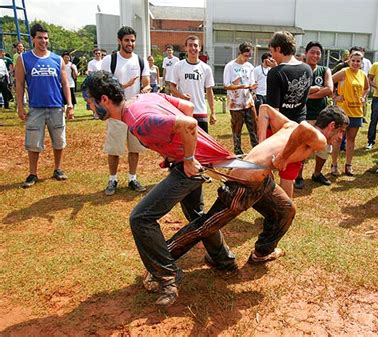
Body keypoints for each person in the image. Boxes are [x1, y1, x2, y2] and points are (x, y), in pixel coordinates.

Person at [82, 70, 237, 307]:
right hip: (197, 162)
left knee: (141, 218)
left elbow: (189, 122)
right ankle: (223, 258)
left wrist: (187, 157)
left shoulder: (138, 120)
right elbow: (187, 107)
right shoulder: (144, 99)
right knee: (196, 215)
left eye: (90, 103)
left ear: (104, 100)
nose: (90, 109)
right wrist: (173, 152)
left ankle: (167, 277)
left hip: (193, 166)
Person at [165, 104, 349, 304]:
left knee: (285, 209)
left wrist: (260, 143)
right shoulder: (318, 137)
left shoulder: (289, 125)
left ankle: (262, 252)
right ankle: (160, 261)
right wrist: (282, 158)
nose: (340, 138)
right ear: (332, 126)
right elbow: (305, 127)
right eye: (341, 132)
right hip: (245, 184)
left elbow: (265, 109)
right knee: (206, 226)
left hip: (262, 180)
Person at [16, 23, 74, 188]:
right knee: (33, 143)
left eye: (46, 38)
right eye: (40, 37)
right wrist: (20, 106)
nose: (43, 41)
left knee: (59, 141)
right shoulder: (23, 59)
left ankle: (58, 169)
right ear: (33, 39)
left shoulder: (57, 59)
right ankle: (33, 173)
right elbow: (19, 84)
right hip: (35, 108)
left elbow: (65, 83)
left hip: (56, 107)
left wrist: (69, 104)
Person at [101, 26, 151, 196]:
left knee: (134, 148)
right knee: (114, 149)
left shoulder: (140, 60)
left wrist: (146, 88)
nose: (130, 43)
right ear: (119, 41)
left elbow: (146, 81)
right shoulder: (110, 60)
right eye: (127, 40)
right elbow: (104, 85)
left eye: (132, 40)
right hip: (116, 112)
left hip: (134, 111)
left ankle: (132, 178)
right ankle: (112, 179)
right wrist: (124, 86)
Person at [264, 31, 312, 197]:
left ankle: (274, 209)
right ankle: (285, 214)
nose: (272, 55)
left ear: (278, 48)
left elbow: (273, 111)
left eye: (272, 51)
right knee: (288, 177)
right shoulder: (307, 69)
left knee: (265, 171)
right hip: (299, 128)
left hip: (279, 129)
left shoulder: (275, 73)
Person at [294, 41, 334, 189]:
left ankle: (317, 174)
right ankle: (298, 176)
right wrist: (315, 91)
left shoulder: (325, 70)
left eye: (318, 53)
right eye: (312, 52)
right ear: (306, 53)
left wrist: (306, 94)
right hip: (302, 115)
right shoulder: (299, 70)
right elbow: (295, 91)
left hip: (322, 115)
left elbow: (329, 89)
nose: (315, 55)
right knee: (302, 147)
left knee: (324, 146)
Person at [331, 50, 369, 176]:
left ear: (361, 62)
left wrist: (364, 97)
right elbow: (329, 81)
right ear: (349, 61)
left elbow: (366, 88)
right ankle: (334, 165)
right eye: (353, 60)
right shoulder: (344, 72)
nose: (355, 63)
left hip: (356, 112)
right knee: (338, 138)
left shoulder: (363, 75)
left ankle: (348, 165)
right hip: (342, 111)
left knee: (351, 139)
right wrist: (335, 96)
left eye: (358, 61)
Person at [170, 35, 216, 133]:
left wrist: (213, 112)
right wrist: (181, 96)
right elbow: (171, 87)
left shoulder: (206, 68)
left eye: (196, 45)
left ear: (200, 48)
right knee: (184, 144)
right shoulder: (178, 66)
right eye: (190, 45)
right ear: (185, 48)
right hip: (184, 111)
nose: (193, 48)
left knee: (201, 145)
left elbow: (209, 91)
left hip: (201, 112)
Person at [223, 41, 258, 155]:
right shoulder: (230, 66)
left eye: (249, 56)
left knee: (253, 126)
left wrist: (253, 87)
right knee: (237, 128)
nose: (247, 58)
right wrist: (241, 86)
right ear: (240, 53)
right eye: (245, 55)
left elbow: (252, 83)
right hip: (235, 103)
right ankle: (238, 150)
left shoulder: (249, 66)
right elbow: (226, 86)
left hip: (248, 102)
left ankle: (256, 149)